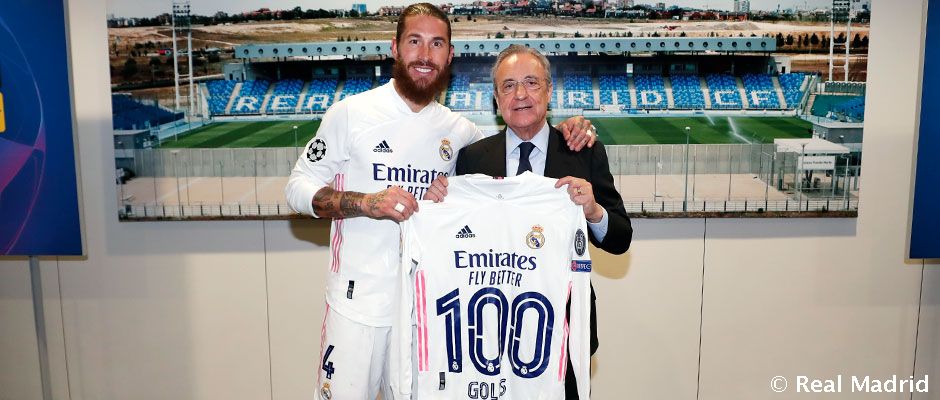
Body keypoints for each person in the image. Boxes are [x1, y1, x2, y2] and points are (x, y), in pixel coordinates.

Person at [284, 5, 597, 399]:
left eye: (436, 44)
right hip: (359, 307)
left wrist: (568, 128)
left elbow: (518, 142)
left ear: (449, 55)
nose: (425, 55)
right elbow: (297, 188)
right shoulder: (350, 114)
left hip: (426, 314)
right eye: (414, 41)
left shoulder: (460, 133)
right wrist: (365, 202)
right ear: (395, 47)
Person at [424, 44, 633, 399]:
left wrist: (593, 211)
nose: (520, 94)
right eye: (508, 86)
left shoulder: (583, 151)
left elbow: (620, 239)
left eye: (531, 83)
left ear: (549, 92)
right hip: (488, 331)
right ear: (496, 99)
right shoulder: (472, 158)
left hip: (564, 330)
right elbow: (457, 243)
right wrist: (436, 208)